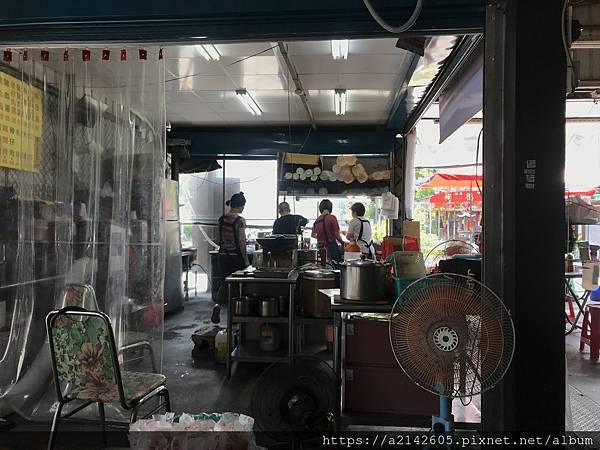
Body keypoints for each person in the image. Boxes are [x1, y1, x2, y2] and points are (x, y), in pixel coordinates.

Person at [217, 192, 249, 280]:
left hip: (222, 256)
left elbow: (220, 238)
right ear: (240, 206)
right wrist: (246, 260)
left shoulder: (221, 219)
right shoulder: (240, 221)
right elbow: (241, 241)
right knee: (237, 284)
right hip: (235, 257)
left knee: (224, 284)